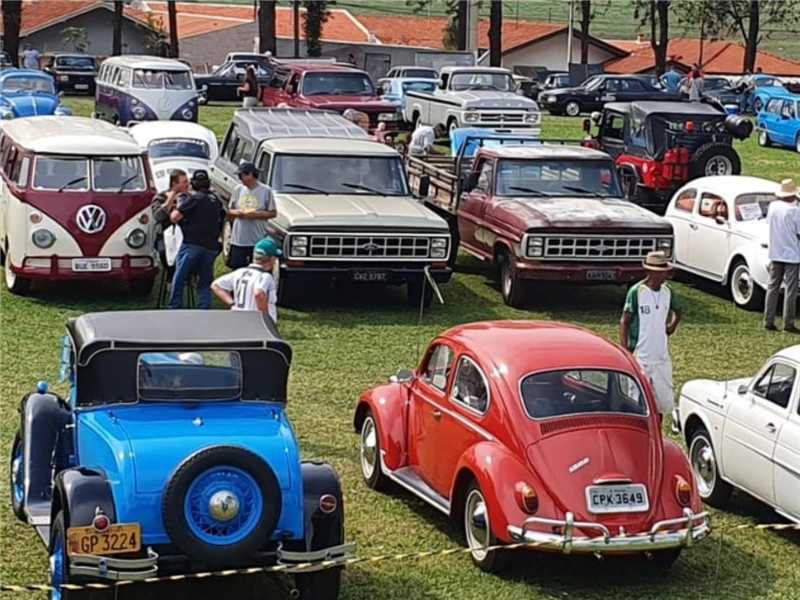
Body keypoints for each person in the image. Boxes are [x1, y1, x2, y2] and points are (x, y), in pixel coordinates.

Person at [620, 251, 682, 424]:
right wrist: (625, 351)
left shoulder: (668, 292)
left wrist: (671, 326)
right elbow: (625, 321)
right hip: (641, 355)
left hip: (661, 356)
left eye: (665, 272)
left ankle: (657, 430)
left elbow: (678, 310)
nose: (664, 276)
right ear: (650, 272)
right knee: (637, 401)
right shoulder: (637, 292)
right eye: (660, 272)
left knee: (661, 402)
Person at [168, 170, 226, 309]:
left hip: (192, 244)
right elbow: (223, 218)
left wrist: (175, 208)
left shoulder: (195, 199)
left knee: (180, 277)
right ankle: (204, 309)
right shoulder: (216, 200)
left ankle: (175, 307)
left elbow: (174, 218)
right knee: (205, 280)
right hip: (211, 246)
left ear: (194, 183)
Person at [212, 236, 281, 323]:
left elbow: (216, 285)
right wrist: (265, 318)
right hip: (255, 322)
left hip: (238, 319)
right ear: (271, 259)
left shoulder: (239, 272)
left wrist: (232, 303)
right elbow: (259, 293)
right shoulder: (265, 276)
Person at [763, 179, 800, 333]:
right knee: (791, 290)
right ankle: (788, 323)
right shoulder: (795, 211)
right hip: (792, 254)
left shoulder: (773, 206)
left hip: (776, 252)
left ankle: (768, 320)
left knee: (772, 287)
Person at [227, 162, 277, 269]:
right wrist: (238, 213)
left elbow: (273, 213)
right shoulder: (238, 189)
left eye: (241, 175)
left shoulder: (266, 191)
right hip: (238, 239)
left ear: (250, 174)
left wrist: (256, 214)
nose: (240, 178)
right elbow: (230, 210)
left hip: (257, 239)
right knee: (237, 269)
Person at [151, 169, 190, 270]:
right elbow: (158, 216)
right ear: (174, 184)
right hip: (165, 235)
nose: (188, 184)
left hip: (185, 235)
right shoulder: (160, 197)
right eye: (184, 182)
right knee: (164, 255)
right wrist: (170, 200)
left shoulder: (189, 197)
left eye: (187, 181)